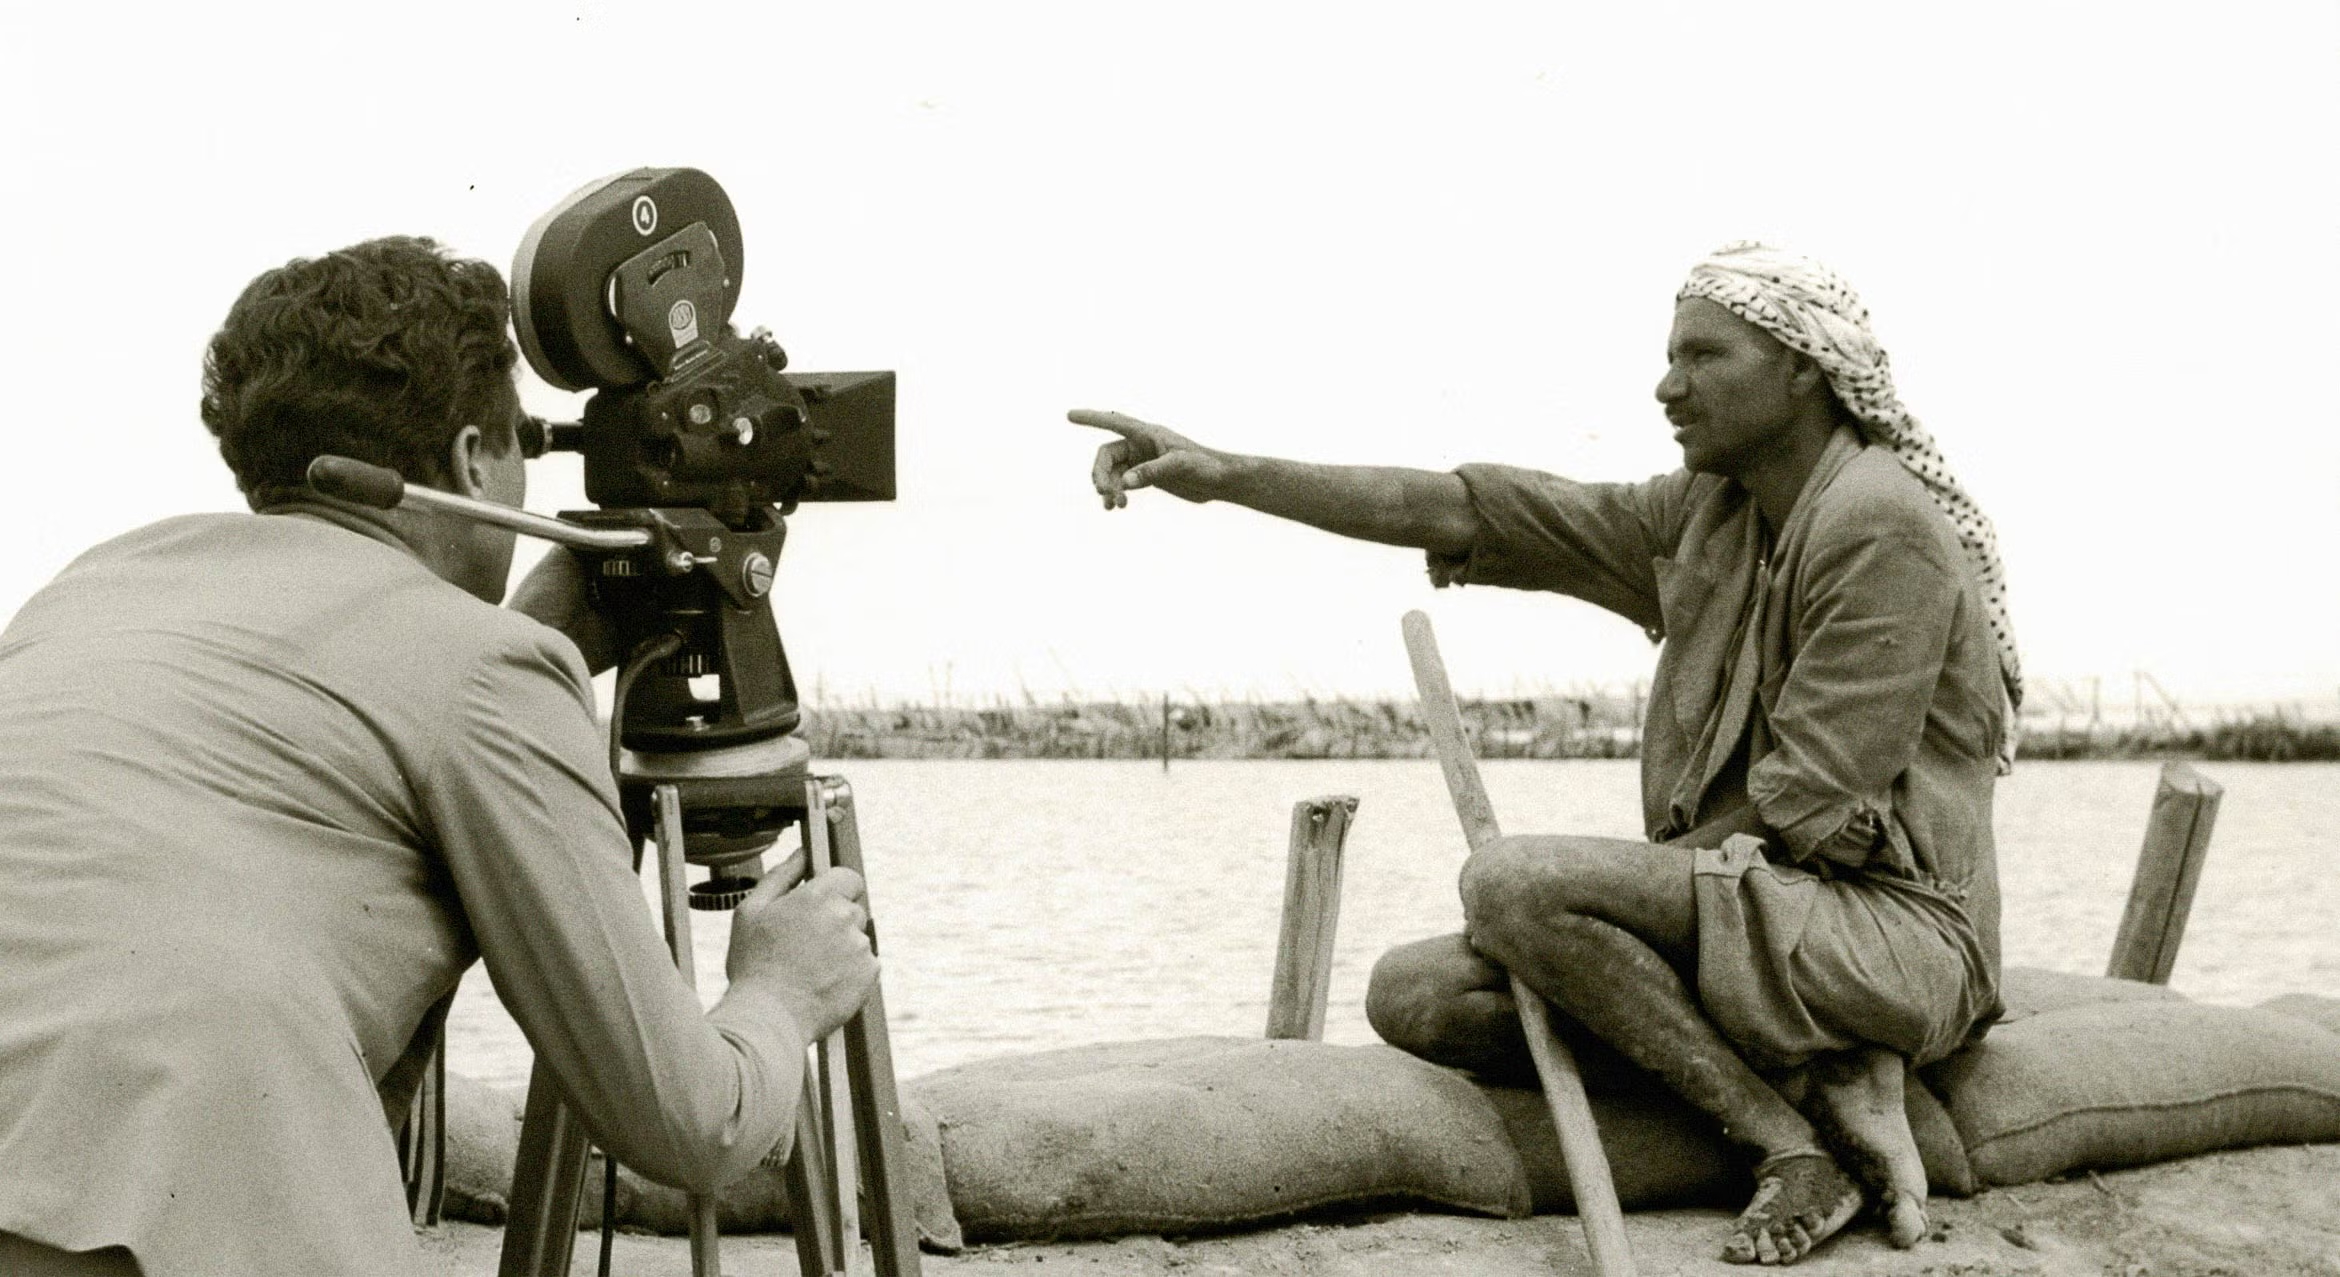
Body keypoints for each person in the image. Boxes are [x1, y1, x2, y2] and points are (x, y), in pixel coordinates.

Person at [1074, 242, 2016, 1265]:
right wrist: (1224, 475)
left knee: (1517, 883)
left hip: (1891, 937)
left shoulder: (1882, 524)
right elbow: (1468, 506)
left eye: (1704, 356)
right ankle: (1816, 1081)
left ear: (1803, 367)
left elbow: (1797, 815)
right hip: (1756, 911)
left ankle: (1787, 1145)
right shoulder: (1712, 513)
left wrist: (1579, 915)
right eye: (1669, 356)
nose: (1668, 384)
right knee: (1415, 991)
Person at [0, 237, 879, 1276]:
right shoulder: (482, 674)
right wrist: (779, 993)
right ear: (474, 460)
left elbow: (321, 757)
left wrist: (522, 638)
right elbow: (693, 1125)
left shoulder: (96, 586)